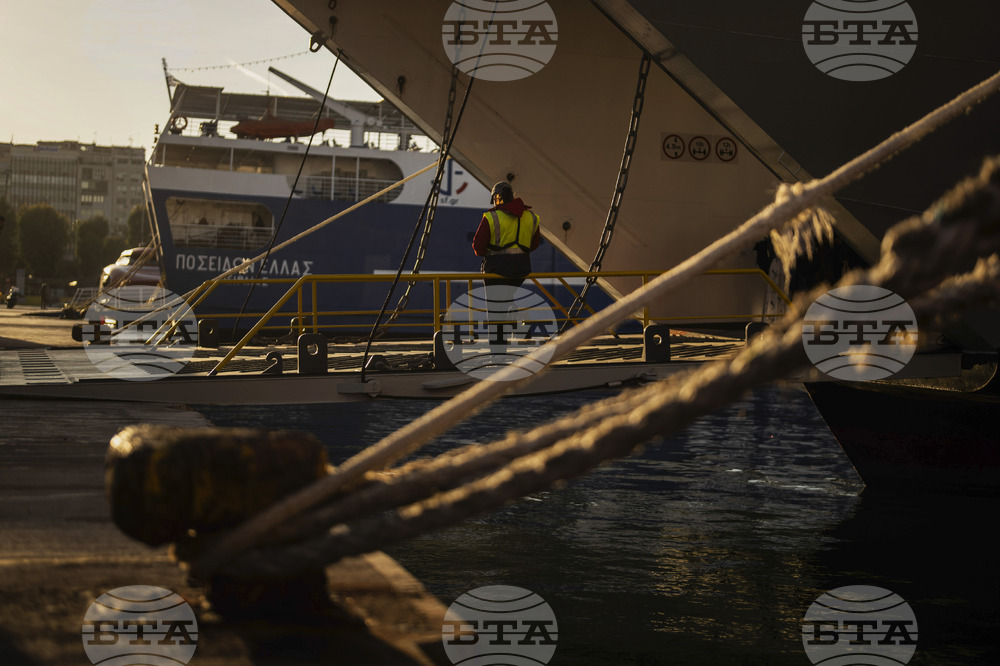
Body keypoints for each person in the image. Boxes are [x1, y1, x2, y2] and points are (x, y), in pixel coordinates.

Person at [471, 181, 542, 287]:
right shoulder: (531, 217)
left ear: (497, 198)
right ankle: (509, 304)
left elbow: (478, 246)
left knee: (495, 302)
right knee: (507, 298)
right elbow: (535, 243)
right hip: (521, 268)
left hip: (497, 269)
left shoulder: (492, 217)